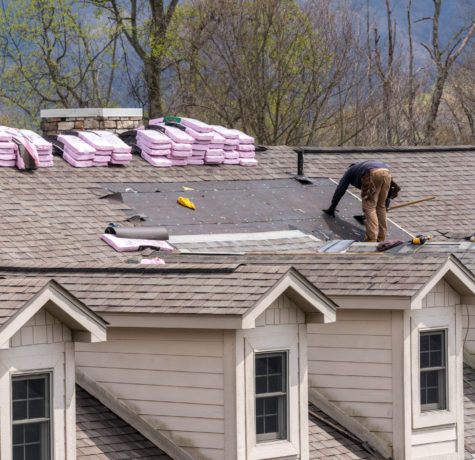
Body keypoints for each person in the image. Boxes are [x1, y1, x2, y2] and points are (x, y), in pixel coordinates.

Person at [323, 161, 400, 242]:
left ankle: (372, 238)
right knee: (381, 206)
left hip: (373, 174)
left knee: (370, 207)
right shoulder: (362, 167)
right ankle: (381, 236)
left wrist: (332, 207)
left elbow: (340, 189)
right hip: (387, 174)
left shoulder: (350, 172)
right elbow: (388, 194)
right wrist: (386, 205)